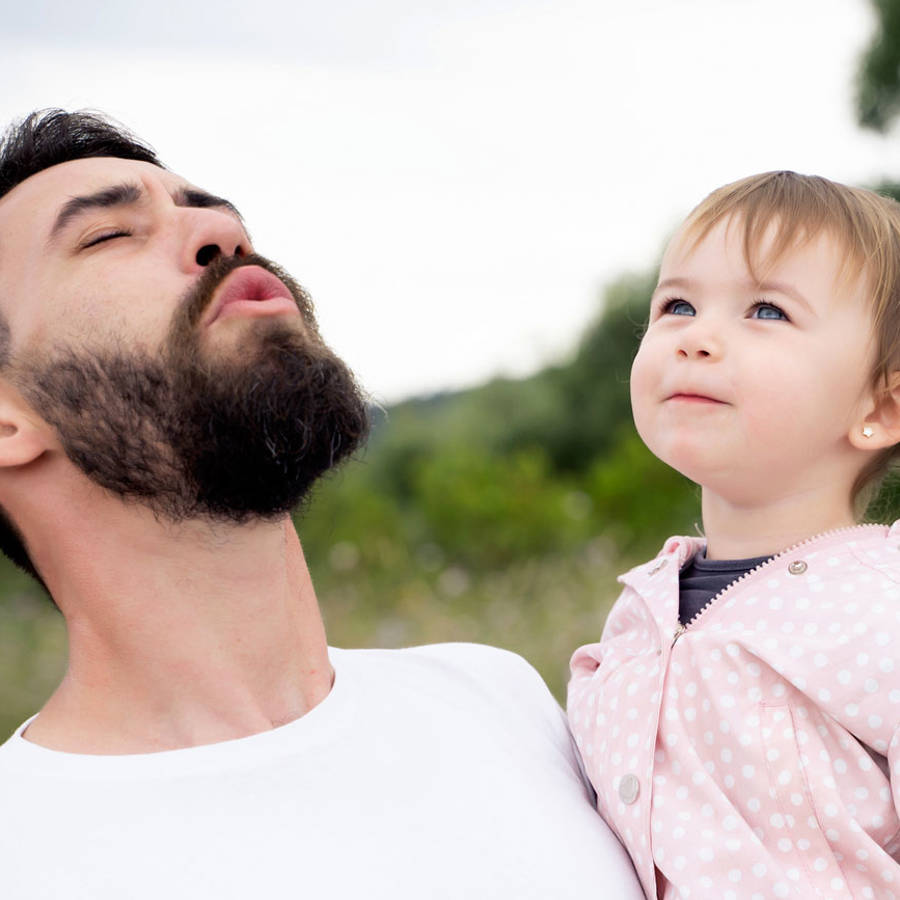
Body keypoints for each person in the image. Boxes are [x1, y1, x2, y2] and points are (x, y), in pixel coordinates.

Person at [0, 109, 644, 899]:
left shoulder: (498, 697)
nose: (221, 236)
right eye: (107, 235)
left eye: (214, 213)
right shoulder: (25, 851)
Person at [568, 171, 900, 898]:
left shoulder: (884, 611)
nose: (698, 337)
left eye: (767, 311)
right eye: (677, 305)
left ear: (882, 405)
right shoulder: (635, 622)